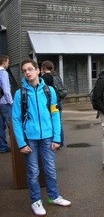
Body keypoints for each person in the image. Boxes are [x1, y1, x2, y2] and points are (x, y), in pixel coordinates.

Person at [11, 59, 71, 216]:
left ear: (38, 70)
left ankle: (53, 196)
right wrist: (21, 143)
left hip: (47, 136)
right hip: (29, 138)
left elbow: (55, 114)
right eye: (24, 70)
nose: (27, 72)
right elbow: (16, 120)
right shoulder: (20, 94)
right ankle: (36, 201)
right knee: (33, 171)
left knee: (50, 169)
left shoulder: (49, 90)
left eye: (30, 69)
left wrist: (57, 137)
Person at [41, 60, 64, 148]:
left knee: (50, 122)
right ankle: (60, 142)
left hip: (51, 103)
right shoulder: (56, 76)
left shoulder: (44, 78)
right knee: (58, 122)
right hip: (59, 101)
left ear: (44, 68)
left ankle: (52, 142)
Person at [0, 55, 13, 153]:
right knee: (12, 124)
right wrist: (11, 102)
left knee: (0, 126)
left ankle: (3, 147)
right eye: (8, 62)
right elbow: (6, 89)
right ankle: (17, 146)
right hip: (5, 103)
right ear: (4, 62)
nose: (8, 64)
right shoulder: (3, 73)